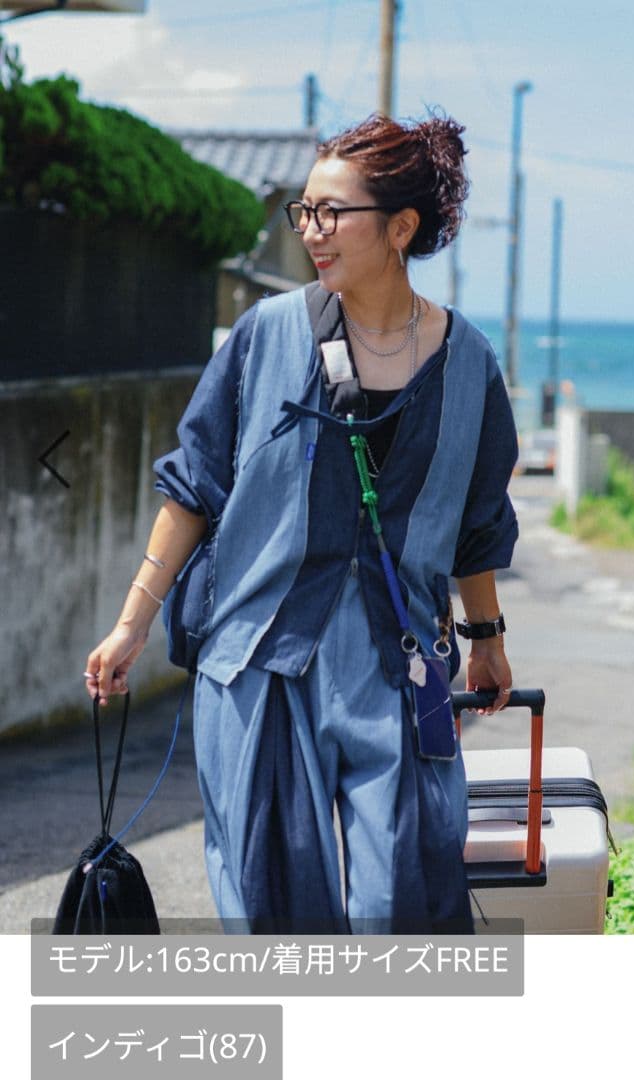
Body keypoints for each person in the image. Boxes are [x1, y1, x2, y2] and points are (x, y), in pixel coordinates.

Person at [84, 112, 518, 934]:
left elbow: (478, 519)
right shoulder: (265, 335)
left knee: (404, 897)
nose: (310, 230)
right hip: (260, 657)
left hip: (397, 664)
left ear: (400, 227)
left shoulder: (468, 364)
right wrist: (131, 624)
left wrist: (486, 638)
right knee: (270, 905)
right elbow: (194, 485)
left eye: (331, 212)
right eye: (304, 211)